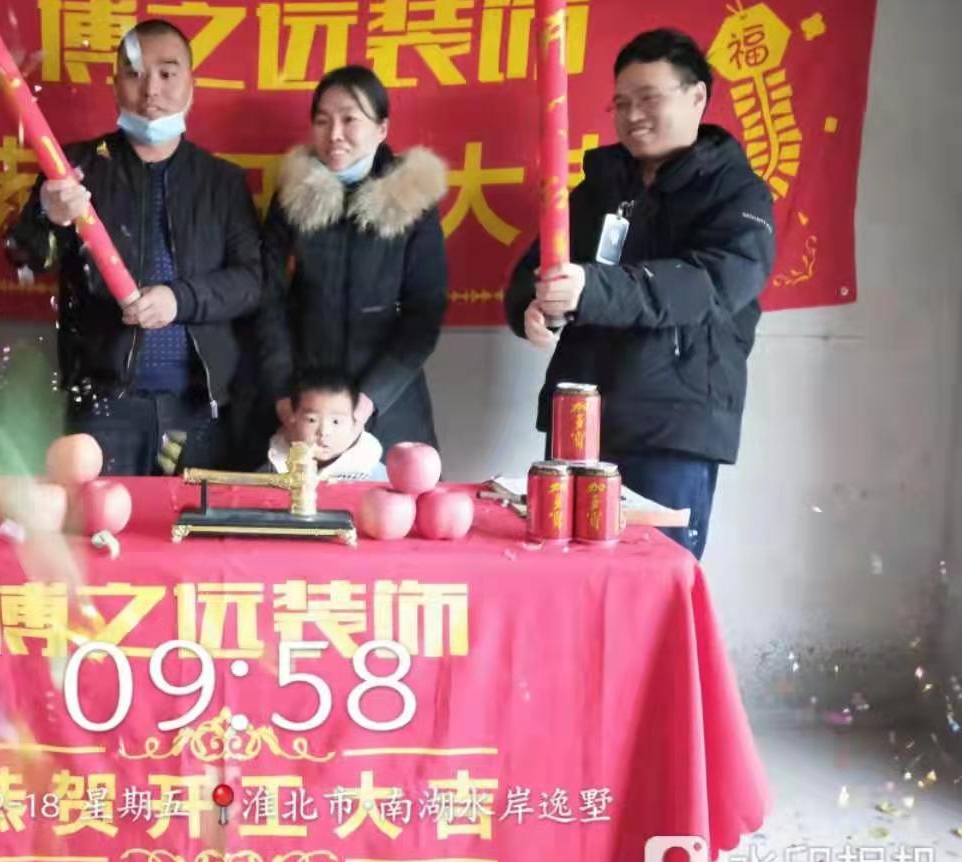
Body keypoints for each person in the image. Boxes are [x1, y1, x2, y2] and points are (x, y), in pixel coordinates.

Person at [503, 28, 776, 559]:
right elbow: (538, 269)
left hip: (672, 424)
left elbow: (713, 285)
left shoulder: (738, 193)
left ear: (697, 97)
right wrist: (534, 306)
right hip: (580, 418)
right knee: (567, 572)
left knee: (651, 573)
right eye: (621, 103)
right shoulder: (600, 187)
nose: (633, 116)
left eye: (649, 99)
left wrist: (592, 288)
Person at [6, 19, 262, 475]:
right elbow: (25, 258)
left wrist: (179, 299)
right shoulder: (74, 168)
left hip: (198, 409)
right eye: (135, 74)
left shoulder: (221, 182)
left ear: (191, 85)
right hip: (104, 406)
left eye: (167, 73)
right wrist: (48, 213)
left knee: (191, 523)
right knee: (99, 519)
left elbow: (249, 283)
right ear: (115, 85)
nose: (151, 90)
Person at [256, 65, 449, 456]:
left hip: (389, 404)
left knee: (392, 495)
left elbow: (425, 313)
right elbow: (266, 296)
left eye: (349, 119)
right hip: (305, 403)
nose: (335, 134)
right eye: (322, 121)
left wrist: (367, 404)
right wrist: (283, 393)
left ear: (381, 129)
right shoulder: (293, 193)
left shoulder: (412, 199)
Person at [264, 368, 388, 482]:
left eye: (336, 421)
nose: (324, 432)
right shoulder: (272, 469)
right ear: (292, 419)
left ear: (355, 423)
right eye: (312, 420)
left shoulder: (376, 476)